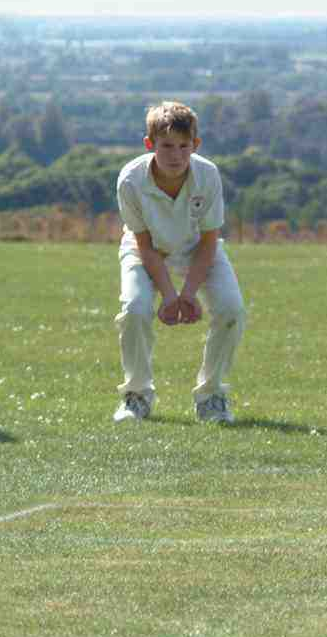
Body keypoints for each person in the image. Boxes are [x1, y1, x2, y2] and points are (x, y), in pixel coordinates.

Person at [112, 101, 246, 425]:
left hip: (198, 248)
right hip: (146, 249)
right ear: (149, 145)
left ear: (195, 145)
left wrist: (188, 293)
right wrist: (170, 296)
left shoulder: (207, 174)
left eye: (184, 146)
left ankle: (211, 397)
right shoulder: (130, 180)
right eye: (166, 146)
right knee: (135, 308)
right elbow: (144, 246)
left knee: (231, 309)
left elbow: (209, 241)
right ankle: (137, 396)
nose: (176, 155)